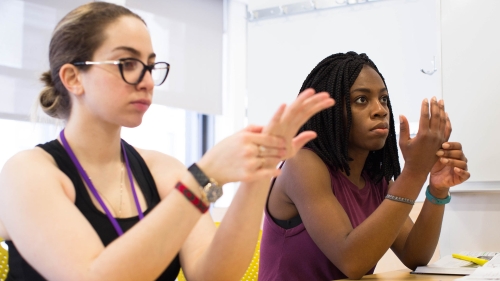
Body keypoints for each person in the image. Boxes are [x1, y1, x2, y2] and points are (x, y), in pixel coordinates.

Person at [0, 3, 335, 281]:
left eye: (149, 65)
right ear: (73, 77)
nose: (147, 81)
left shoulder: (162, 170)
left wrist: (259, 176)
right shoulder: (27, 173)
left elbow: (214, 276)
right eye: (127, 64)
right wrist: (204, 177)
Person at [259, 52, 470, 280]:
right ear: (329, 111)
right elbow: (351, 261)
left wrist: (437, 190)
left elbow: (414, 256)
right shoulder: (301, 164)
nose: (381, 110)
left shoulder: (374, 180)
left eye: (384, 99)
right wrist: (414, 172)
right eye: (361, 99)